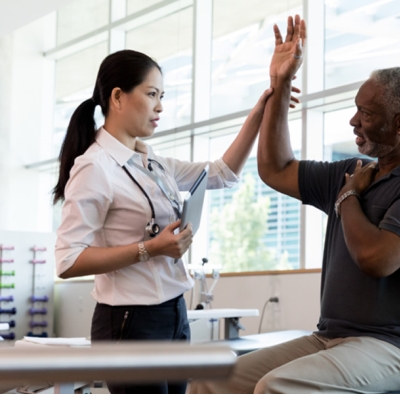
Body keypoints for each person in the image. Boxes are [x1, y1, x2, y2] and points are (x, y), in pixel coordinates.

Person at [190, 15, 400, 394]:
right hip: (332, 338)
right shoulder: (350, 171)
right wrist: (281, 84)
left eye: (366, 114)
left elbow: (377, 259)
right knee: (210, 380)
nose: (353, 121)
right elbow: (275, 169)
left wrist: (349, 197)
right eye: (356, 109)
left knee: (277, 386)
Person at [53, 49, 299, 394]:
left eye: (162, 96)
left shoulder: (151, 161)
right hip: (129, 321)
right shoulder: (95, 168)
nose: (160, 107)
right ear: (118, 97)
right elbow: (67, 261)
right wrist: (149, 249)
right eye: (151, 94)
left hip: (171, 313)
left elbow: (221, 173)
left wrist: (261, 112)